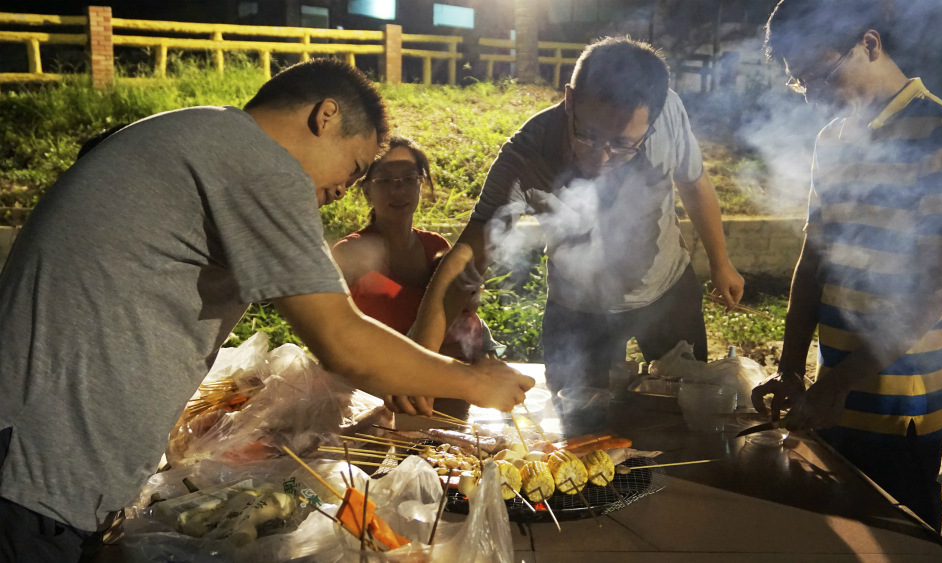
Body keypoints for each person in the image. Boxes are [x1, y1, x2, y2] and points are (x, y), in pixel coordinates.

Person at [0, 58, 533, 563]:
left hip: (40, 464)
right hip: (33, 475)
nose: (346, 188)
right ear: (326, 117)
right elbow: (340, 337)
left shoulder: (196, 136)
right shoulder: (256, 161)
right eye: (356, 166)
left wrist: (402, 369)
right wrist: (475, 383)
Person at [751, 0, 942, 533]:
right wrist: (792, 370)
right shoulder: (831, 140)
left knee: (905, 540)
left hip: (902, 410)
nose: (814, 96)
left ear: (870, 44)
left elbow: (933, 294)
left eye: (820, 75)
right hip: (831, 398)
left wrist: (838, 386)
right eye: (801, 84)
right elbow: (812, 264)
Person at [452, 36, 745, 394]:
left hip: (667, 292)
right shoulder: (526, 157)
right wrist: (423, 357)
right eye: (588, 136)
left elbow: (694, 182)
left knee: (682, 406)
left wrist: (721, 262)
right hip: (577, 307)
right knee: (579, 424)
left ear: (652, 122)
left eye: (622, 145)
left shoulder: (667, 111)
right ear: (570, 99)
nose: (602, 157)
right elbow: (470, 250)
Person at [331, 136, 495, 414]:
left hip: (447, 399)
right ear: (367, 191)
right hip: (377, 406)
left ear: (421, 185)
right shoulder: (350, 253)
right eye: (384, 180)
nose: (399, 190)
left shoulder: (437, 248)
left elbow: (465, 310)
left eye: (409, 179)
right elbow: (333, 338)